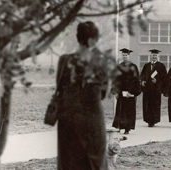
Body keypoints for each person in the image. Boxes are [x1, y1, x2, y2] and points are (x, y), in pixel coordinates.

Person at [56, 21, 108, 169]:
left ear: (78, 38)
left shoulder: (64, 60)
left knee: (70, 162)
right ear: (94, 39)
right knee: (94, 162)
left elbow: (60, 89)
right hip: (92, 119)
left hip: (69, 120)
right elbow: (103, 93)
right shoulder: (101, 61)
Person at [112, 48, 142, 134]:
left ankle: (127, 128)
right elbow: (116, 80)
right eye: (123, 55)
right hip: (121, 92)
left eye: (126, 55)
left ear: (129, 56)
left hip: (130, 93)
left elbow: (136, 81)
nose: (124, 57)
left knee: (129, 110)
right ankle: (119, 126)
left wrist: (131, 92)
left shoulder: (133, 67)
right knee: (120, 109)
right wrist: (115, 92)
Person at [140, 49, 167, 127]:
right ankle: (148, 120)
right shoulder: (146, 65)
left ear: (158, 56)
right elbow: (142, 75)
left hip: (156, 89)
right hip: (147, 89)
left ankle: (154, 120)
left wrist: (157, 80)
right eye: (152, 56)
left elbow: (164, 78)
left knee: (155, 105)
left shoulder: (161, 66)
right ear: (150, 56)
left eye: (155, 56)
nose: (154, 57)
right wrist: (142, 81)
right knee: (147, 105)